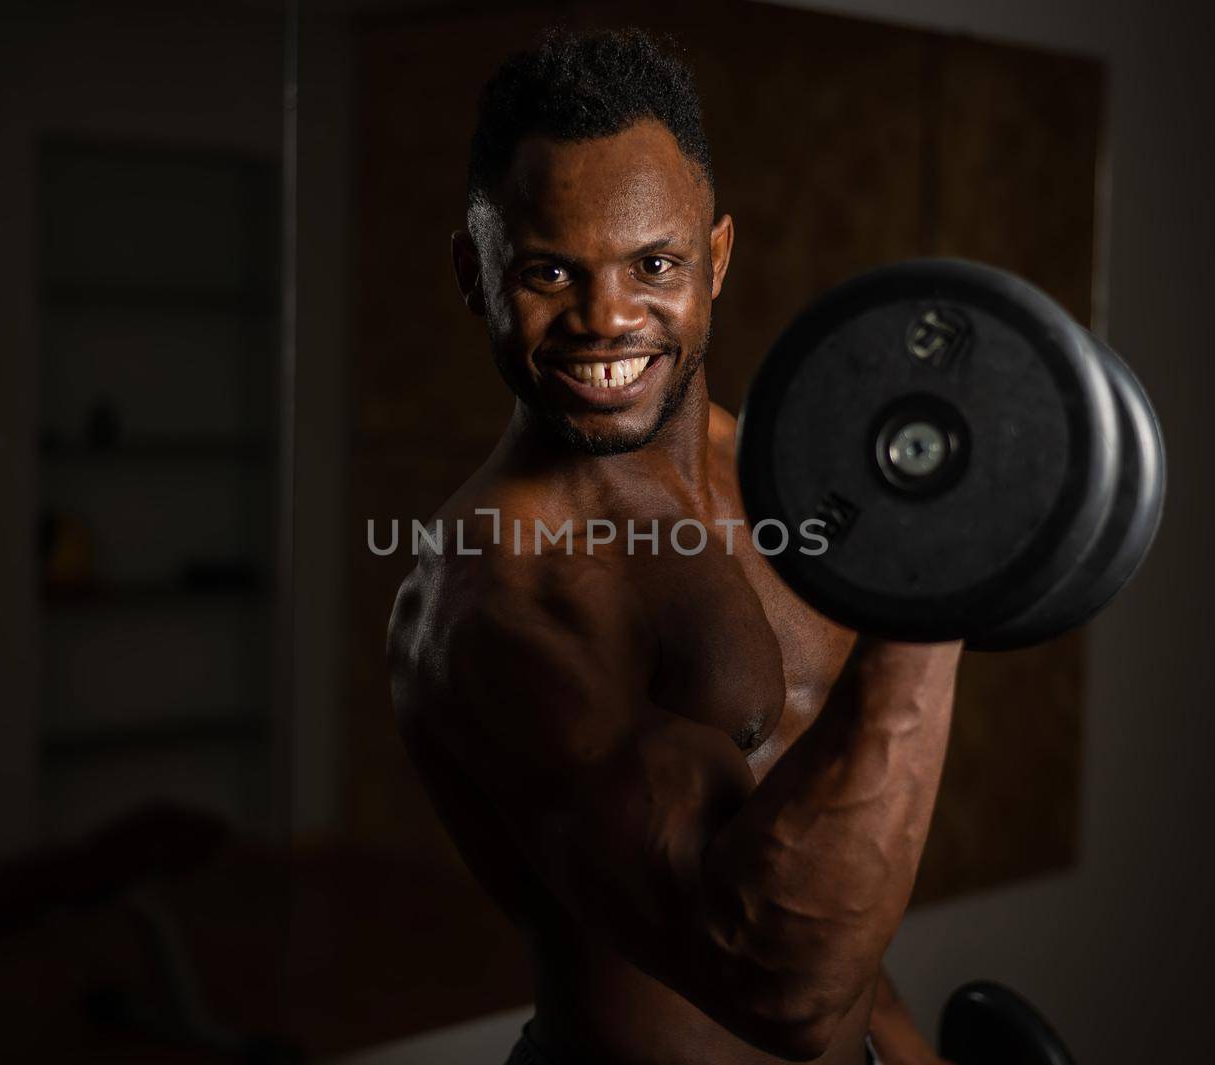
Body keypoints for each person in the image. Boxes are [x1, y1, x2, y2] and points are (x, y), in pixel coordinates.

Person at [386, 28, 960, 1065]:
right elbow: (776, 980)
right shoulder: (500, 598)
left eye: (654, 263)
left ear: (718, 259)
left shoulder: (787, 476)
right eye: (548, 272)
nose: (607, 318)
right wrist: (935, 599)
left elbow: (830, 857)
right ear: (473, 274)